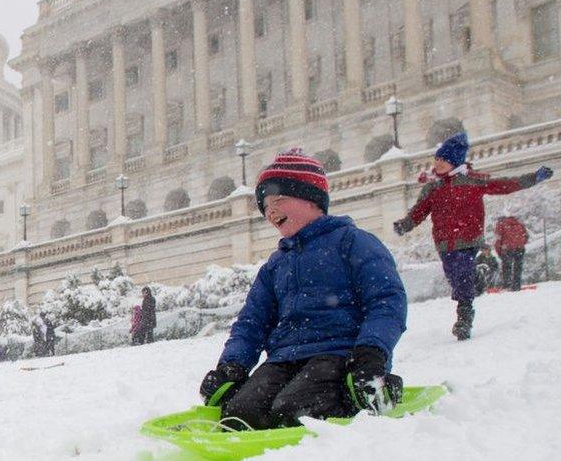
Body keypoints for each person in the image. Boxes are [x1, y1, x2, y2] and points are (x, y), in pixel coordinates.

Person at [200, 148, 407, 431]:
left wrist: (372, 351)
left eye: (279, 200)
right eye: (265, 207)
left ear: (311, 198)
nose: (270, 211)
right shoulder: (275, 265)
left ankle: (374, 392)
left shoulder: (352, 242)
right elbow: (252, 322)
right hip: (284, 359)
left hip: (340, 354)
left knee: (294, 412)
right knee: (240, 413)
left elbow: (386, 301)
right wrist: (232, 366)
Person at [394, 132, 553, 340]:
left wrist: (533, 178)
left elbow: (505, 185)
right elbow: (419, 212)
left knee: (461, 275)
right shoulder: (433, 188)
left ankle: (464, 318)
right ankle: (477, 278)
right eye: (436, 159)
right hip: (444, 242)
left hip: (468, 239)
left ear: (454, 161)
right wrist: (404, 225)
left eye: (443, 159)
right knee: (455, 277)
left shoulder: (473, 181)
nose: (437, 163)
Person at [495, 215, 529, 291]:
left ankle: (507, 285)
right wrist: (521, 244)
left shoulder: (500, 224)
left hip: (507, 248)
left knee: (507, 267)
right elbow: (526, 236)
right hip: (520, 248)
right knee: (518, 267)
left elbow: (498, 240)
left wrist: (499, 252)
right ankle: (517, 286)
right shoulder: (519, 223)